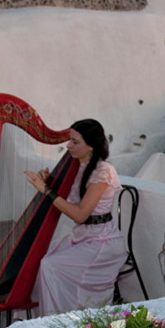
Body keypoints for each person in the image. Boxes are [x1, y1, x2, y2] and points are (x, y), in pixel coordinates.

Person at [25, 119, 126, 316]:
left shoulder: (103, 171)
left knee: (50, 265)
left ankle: (58, 321)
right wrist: (51, 184)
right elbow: (68, 197)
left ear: (91, 146)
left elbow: (80, 215)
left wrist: (46, 191)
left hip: (102, 242)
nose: (68, 146)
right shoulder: (76, 166)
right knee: (40, 257)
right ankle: (57, 315)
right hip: (81, 237)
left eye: (75, 142)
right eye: (69, 141)